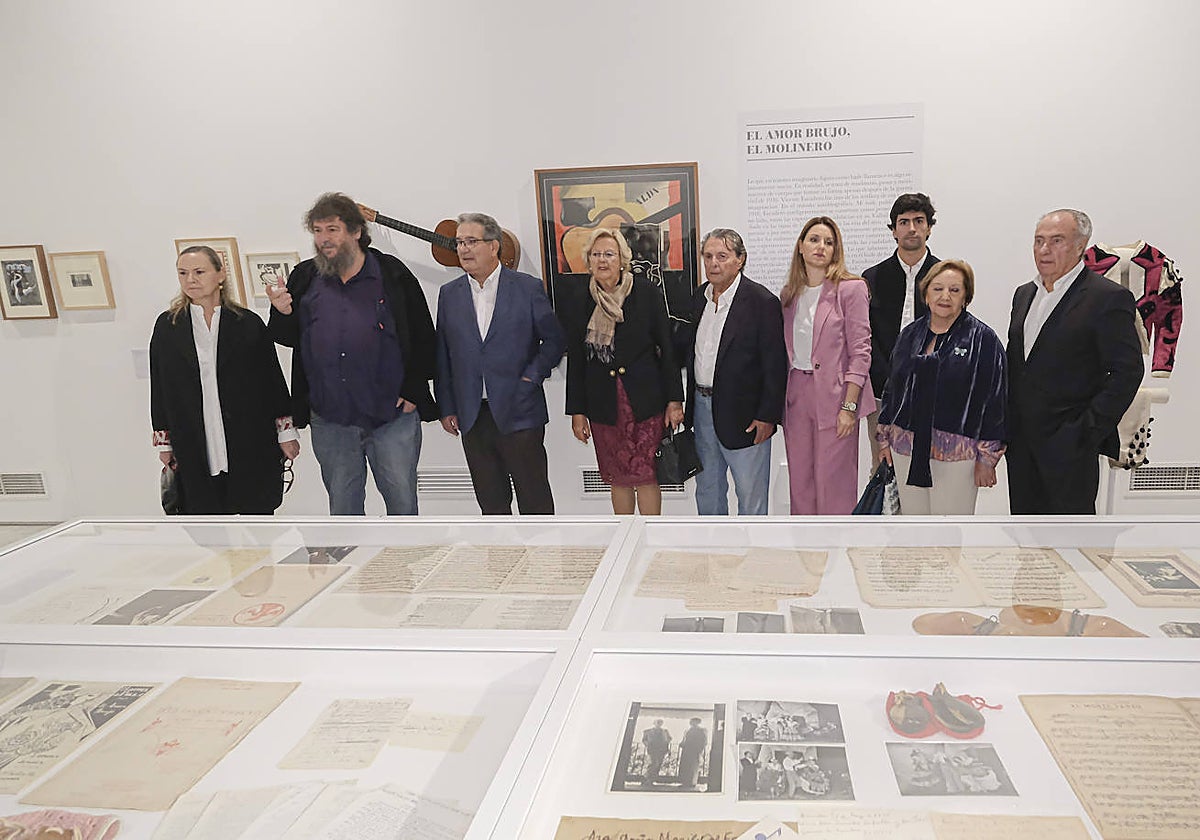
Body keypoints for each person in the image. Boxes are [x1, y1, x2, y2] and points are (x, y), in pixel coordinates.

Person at [266, 192, 437, 516]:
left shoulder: (392, 274)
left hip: (391, 416)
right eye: (318, 231)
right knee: (343, 510)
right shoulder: (305, 277)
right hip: (330, 419)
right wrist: (282, 312)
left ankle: (403, 554)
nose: (324, 239)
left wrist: (414, 390)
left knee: (403, 507)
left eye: (332, 229)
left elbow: (423, 336)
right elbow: (287, 338)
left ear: (357, 231)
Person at [1006, 209, 1143, 514]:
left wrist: (1084, 432)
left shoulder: (1107, 297)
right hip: (1021, 447)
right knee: (1025, 538)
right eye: (1039, 241)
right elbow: (1017, 367)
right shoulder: (1024, 295)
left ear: (1081, 245)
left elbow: (1127, 372)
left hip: (1071, 448)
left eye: (1057, 240)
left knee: (1072, 538)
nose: (1044, 249)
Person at [151, 246, 299, 514]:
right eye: (183, 273)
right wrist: (165, 442)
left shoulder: (247, 323)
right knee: (204, 518)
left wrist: (286, 433)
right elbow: (159, 388)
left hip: (249, 435)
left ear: (220, 274)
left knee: (257, 514)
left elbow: (272, 382)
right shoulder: (168, 326)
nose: (190, 280)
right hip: (193, 436)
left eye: (199, 272)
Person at [435, 212, 566, 514]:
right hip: (472, 415)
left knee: (534, 499)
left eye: (471, 241)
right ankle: (500, 549)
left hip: (520, 409)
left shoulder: (527, 287)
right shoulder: (449, 294)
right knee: (491, 503)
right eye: (459, 243)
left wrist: (532, 376)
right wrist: (447, 406)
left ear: (493, 246)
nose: (463, 249)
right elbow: (443, 354)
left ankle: (542, 547)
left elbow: (555, 340)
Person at [566, 229, 684, 514]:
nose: (602, 260)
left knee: (646, 475)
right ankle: (624, 536)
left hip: (645, 403)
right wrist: (577, 411)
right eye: (596, 254)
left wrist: (674, 400)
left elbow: (667, 349)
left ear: (622, 259)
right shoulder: (580, 298)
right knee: (616, 476)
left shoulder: (646, 293)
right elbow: (577, 360)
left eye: (609, 254)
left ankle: (651, 535)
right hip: (604, 405)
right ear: (588, 260)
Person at [876, 259, 1007, 515]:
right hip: (906, 450)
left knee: (950, 531)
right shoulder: (909, 335)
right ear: (926, 294)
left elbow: (995, 401)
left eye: (954, 290)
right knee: (914, 529)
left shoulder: (983, 340)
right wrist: (883, 440)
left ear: (966, 297)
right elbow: (892, 390)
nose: (945, 296)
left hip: (957, 455)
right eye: (937, 289)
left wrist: (988, 458)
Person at [681, 229, 787, 516]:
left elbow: (775, 365)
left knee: (750, 497)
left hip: (745, 416)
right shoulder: (699, 298)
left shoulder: (762, 302)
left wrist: (767, 416)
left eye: (722, 256)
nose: (713, 263)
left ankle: (752, 546)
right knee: (707, 492)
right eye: (708, 256)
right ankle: (712, 545)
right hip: (702, 410)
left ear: (740, 260)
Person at [780, 217, 875, 515]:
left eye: (829, 242)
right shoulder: (789, 295)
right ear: (801, 246)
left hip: (836, 397)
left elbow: (861, 352)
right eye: (814, 239)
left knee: (835, 485)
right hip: (796, 395)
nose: (821, 246)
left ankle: (837, 544)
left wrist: (849, 407)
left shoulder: (851, 289)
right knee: (801, 484)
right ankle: (804, 544)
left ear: (836, 250)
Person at [864, 194, 941, 465]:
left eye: (919, 221)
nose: (912, 228)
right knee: (883, 470)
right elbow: (865, 336)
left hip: (933, 392)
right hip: (883, 393)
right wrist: (884, 376)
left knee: (930, 469)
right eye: (904, 222)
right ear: (894, 230)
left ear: (929, 228)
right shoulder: (872, 277)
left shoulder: (944, 276)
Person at [678, 717, 708, 789]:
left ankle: (692, 782)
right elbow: (684, 739)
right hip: (686, 750)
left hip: (695, 750)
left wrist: (700, 750)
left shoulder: (701, 730)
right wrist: (682, 744)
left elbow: (704, 741)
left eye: (693, 721)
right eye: (691, 721)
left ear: (697, 722)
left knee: (693, 767)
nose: (691, 723)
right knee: (685, 766)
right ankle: (685, 782)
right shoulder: (688, 730)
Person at [641, 718, 671, 783]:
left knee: (658, 765)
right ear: (654, 723)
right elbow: (644, 740)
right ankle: (646, 778)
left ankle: (651, 780)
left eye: (660, 723)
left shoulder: (665, 731)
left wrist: (665, 746)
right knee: (653, 764)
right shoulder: (648, 731)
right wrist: (648, 745)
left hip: (661, 750)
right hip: (652, 750)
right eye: (657, 722)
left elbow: (669, 739)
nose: (659, 724)